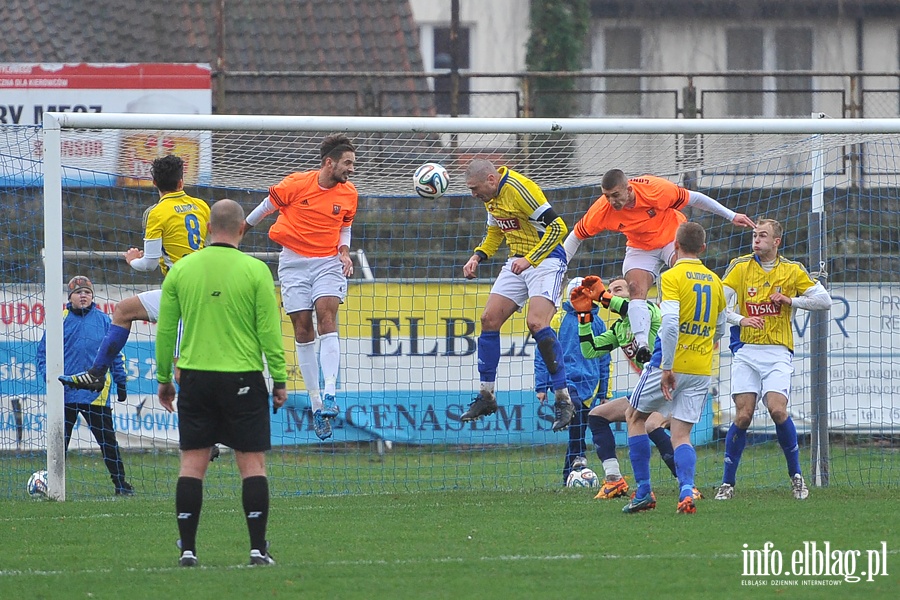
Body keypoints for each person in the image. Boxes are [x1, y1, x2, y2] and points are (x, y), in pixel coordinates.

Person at [156, 199, 287, 568]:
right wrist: (279, 378)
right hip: (242, 377)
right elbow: (269, 331)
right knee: (253, 465)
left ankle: (188, 550)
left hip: (195, 377)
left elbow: (166, 330)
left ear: (209, 227)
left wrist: (165, 377)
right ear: (243, 228)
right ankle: (258, 550)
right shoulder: (256, 270)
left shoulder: (181, 270)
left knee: (192, 465)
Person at [563, 169, 754, 365]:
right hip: (640, 247)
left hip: (672, 238)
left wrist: (731, 216)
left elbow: (694, 198)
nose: (611, 201)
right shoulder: (601, 210)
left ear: (629, 189)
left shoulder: (655, 190)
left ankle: (715, 325)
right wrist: (559, 268)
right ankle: (643, 344)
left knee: (690, 279)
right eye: (606, 196)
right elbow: (576, 236)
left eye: (615, 195)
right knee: (635, 289)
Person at [59, 155, 210, 392]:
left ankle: (209, 422)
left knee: (181, 371)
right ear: (181, 182)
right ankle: (96, 374)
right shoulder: (201, 206)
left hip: (187, 295)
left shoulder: (157, 213)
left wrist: (132, 260)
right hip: (192, 287)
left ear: (154, 182)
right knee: (123, 310)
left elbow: (148, 264)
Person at [243, 134, 357, 441]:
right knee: (304, 329)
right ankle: (317, 405)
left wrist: (344, 252)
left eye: (353, 164)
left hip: (327, 262)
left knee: (327, 316)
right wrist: (240, 229)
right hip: (293, 262)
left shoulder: (349, 194)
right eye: (347, 163)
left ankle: (331, 393)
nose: (352, 169)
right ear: (328, 163)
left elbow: (345, 226)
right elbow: (265, 207)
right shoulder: (295, 183)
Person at [714, 218, 832, 501]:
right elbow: (718, 305)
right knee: (743, 415)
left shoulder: (792, 271)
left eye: (763, 235)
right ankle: (727, 483)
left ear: (777, 241)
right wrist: (742, 319)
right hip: (745, 351)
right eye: (755, 235)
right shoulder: (740, 267)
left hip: (778, 351)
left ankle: (797, 478)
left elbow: (824, 301)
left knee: (778, 411)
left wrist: (792, 301)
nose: (756, 240)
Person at [619, 222, 726, 514]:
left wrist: (667, 366)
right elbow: (719, 329)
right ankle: (685, 492)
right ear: (703, 248)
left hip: (669, 364)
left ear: (675, 246)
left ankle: (643, 491)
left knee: (634, 416)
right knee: (681, 434)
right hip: (701, 367)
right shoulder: (715, 281)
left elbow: (668, 324)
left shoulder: (672, 275)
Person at [460, 159, 575, 431]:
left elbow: (559, 228)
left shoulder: (521, 189)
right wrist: (478, 256)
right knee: (488, 319)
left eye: (475, 188)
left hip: (547, 260)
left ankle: (563, 398)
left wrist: (531, 259)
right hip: (518, 261)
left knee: (537, 323)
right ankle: (486, 396)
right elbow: (494, 233)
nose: (473, 194)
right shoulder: (491, 198)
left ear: (491, 179)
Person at [572, 276, 690, 501]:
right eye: (610, 290)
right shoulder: (619, 328)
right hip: (649, 388)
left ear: (633, 293)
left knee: (651, 424)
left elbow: (630, 308)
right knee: (596, 416)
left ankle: (686, 484)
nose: (613, 293)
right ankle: (614, 479)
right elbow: (591, 350)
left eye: (618, 289)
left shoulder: (649, 309)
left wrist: (602, 297)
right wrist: (584, 318)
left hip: (671, 381)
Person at [37, 276, 133, 495]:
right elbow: (43, 353)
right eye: (78, 292)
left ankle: (121, 484)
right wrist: (49, 379)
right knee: (59, 442)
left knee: (108, 442)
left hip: (95, 392)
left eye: (87, 292)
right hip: (66, 392)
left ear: (92, 296)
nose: (83, 295)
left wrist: (120, 381)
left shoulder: (104, 321)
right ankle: (54, 484)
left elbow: (115, 353)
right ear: (69, 297)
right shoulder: (59, 321)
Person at [535, 277, 611, 485]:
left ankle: (567, 476)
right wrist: (541, 385)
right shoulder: (558, 319)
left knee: (579, 426)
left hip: (591, 384)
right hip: (565, 381)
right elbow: (543, 352)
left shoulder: (597, 322)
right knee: (574, 408)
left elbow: (605, 358)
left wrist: (604, 391)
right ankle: (580, 455)